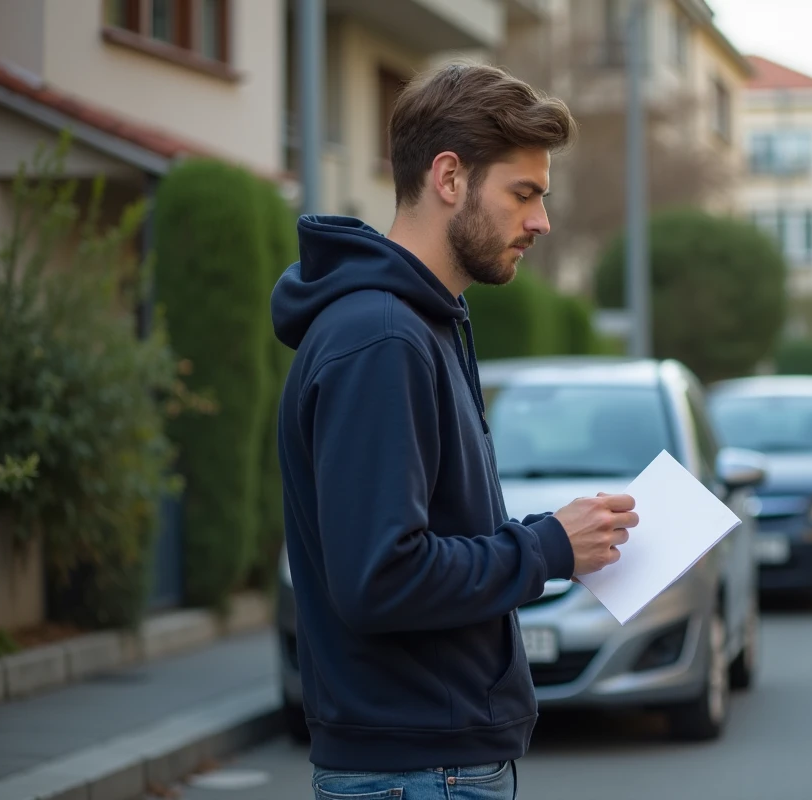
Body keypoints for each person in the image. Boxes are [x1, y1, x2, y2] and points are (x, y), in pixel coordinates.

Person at [270, 62, 639, 799]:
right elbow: (381, 578)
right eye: (523, 193)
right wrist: (546, 547)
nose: (540, 222)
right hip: (418, 773)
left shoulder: (417, 325)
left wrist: (558, 537)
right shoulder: (383, 340)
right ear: (448, 178)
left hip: (428, 764)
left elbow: (419, 540)